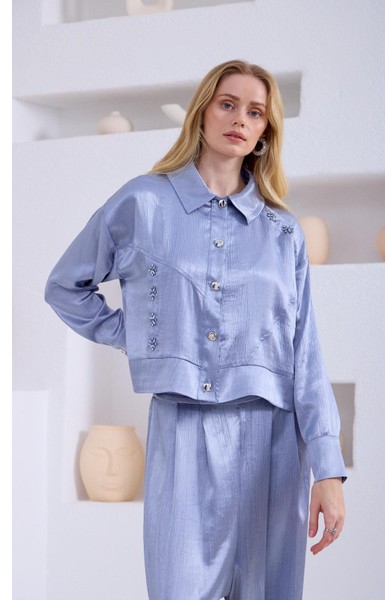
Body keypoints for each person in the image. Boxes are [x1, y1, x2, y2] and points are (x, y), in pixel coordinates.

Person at [45, 59, 347, 600]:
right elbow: (66, 285)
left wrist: (327, 469)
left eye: (255, 112)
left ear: (264, 132)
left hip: (274, 441)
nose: (240, 119)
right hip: (182, 429)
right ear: (203, 112)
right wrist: (138, 338)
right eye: (228, 104)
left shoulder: (283, 232)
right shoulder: (142, 203)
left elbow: (306, 354)